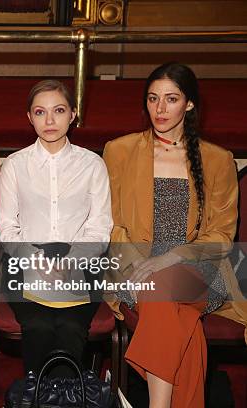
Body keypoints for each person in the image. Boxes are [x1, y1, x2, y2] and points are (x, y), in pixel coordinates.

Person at [103, 62, 247, 408]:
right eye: (153, 99)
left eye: (171, 99)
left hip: (200, 268)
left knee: (165, 286)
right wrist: (147, 262)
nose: (160, 109)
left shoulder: (217, 159)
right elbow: (111, 221)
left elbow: (222, 236)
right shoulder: (120, 151)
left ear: (190, 104)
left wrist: (171, 257)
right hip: (136, 264)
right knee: (186, 328)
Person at [0, 80, 112, 377]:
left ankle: (63, 396)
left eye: (58, 110)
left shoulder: (93, 164)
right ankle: (40, 395)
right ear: (29, 117)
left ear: (73, 114)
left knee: (72, 328)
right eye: (40, 112)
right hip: (24, 263)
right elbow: (7, 228)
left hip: (81, 263)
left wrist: (71, 261)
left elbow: (99, 228)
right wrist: (35, 261)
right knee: (38, 326)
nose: (49, 121)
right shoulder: (15, 165)